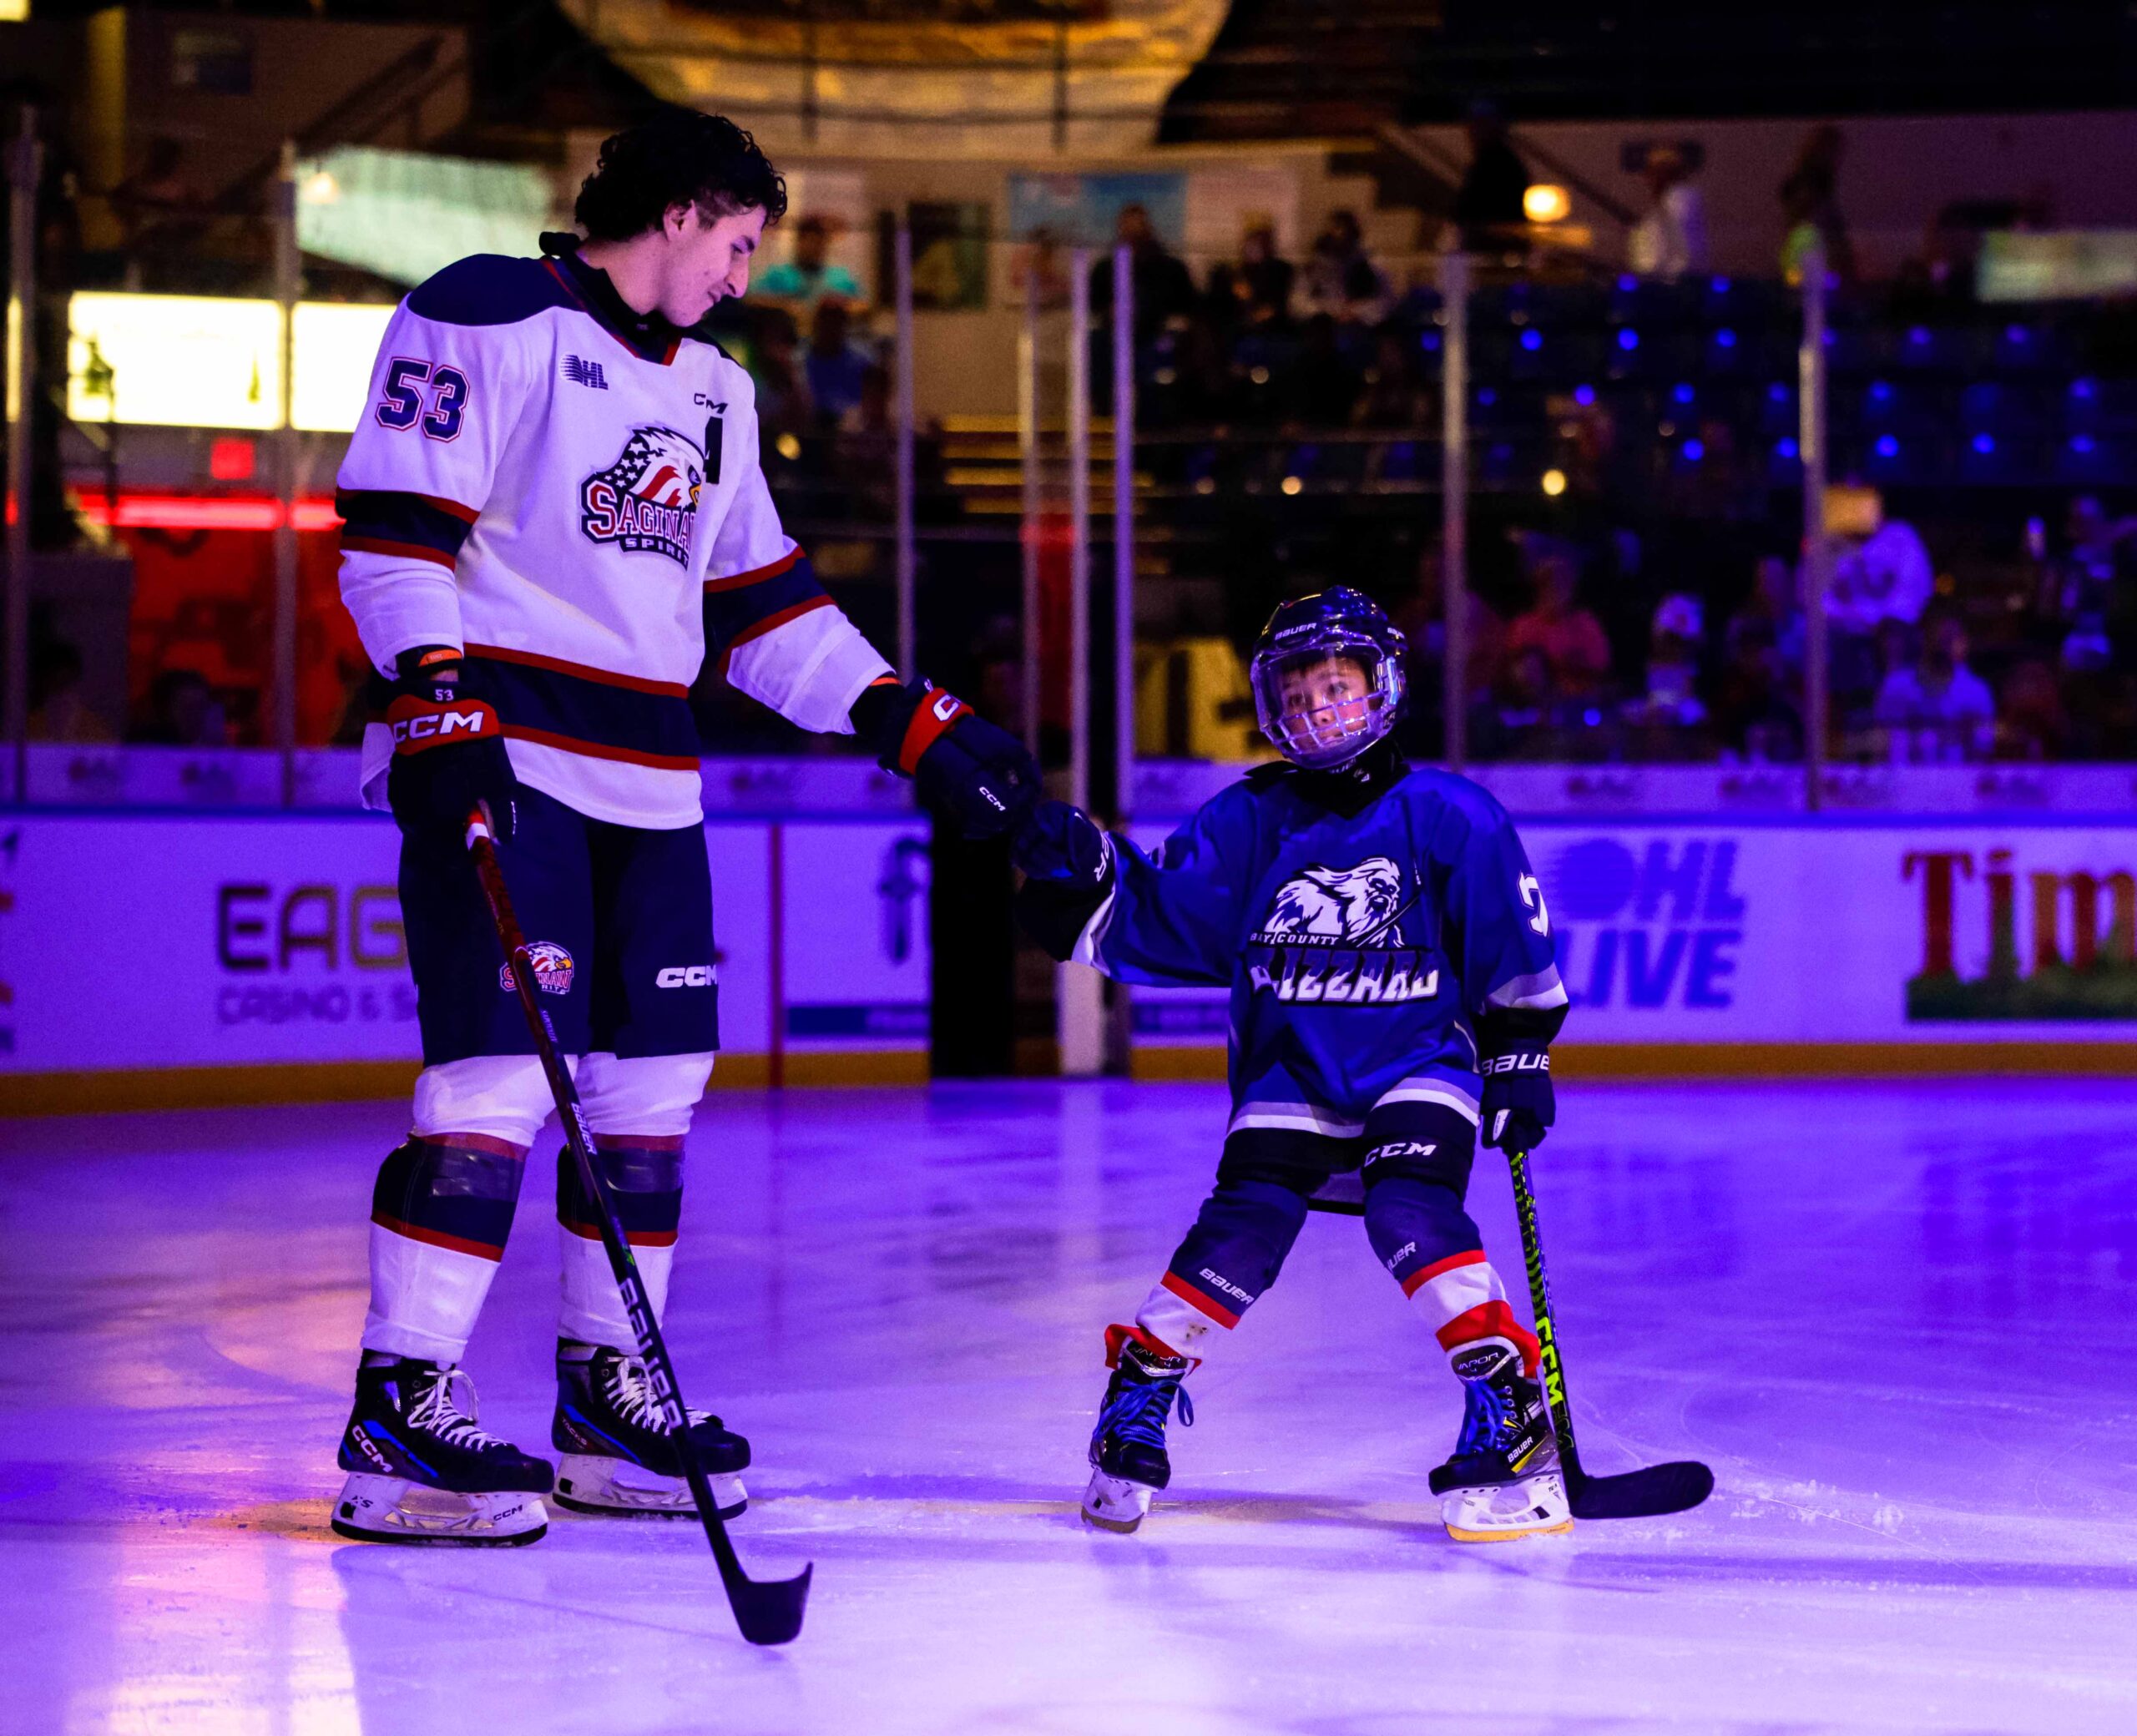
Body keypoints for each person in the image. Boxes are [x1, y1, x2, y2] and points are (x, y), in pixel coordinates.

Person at [329, 108, 1040, 1547]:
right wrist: (436, 696)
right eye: (739, 241)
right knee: (493, 1082)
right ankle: (400, 1407)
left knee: (652, 1092)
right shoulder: (488, 312)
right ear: (679, 211)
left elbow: (759, 611)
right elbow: (395, 532)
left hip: (654, 787)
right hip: (508, 759)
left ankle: (607, 1399)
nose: (744, 273)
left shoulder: (718, 389)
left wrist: (907, 719)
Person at [1012, 588, 1572, 1543]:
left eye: (1337, 688)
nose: (1319, 711)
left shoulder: (1450, 815)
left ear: (1382, 687)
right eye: (1299, 694)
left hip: (1416, 1060)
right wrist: (1086, 886)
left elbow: (1507, 940)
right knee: (1243, 1232)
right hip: (1291, 1071)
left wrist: (1518, 1051)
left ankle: (1506, 1402)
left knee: (1410, 1211)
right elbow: (1167, 913)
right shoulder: (1249, 819)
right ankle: (1137, 1391)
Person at [1873, 609, 1994, 762]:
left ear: (1965, 642)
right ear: (1923, 637)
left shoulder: (1977, 692)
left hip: (1959, 774)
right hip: (1904, 774)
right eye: (1938, 634)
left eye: (1952, 636)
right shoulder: (1896, 685)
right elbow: (1880, 744)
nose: (1944, 643)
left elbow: (1982, 751)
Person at [1452, 105, 1530, 249]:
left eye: (1476, 127)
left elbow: (1476, 206)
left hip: (1492, 244)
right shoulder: (1503, 161)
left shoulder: (1494, 164)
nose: (1470, 133)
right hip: (1498, 241)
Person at [1626, 144, 1707, 280]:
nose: (1646, 179)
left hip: (1673, 285)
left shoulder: (1679, 202)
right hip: (1667, 282)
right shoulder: (1670, 202)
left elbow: (1681, 251)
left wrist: (1656, 277)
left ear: (1665, 174)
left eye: (1651, 172)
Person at [753, 213, 861, 313]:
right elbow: (753, 299)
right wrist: (785, 307)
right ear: (799, 243)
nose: (812, 248)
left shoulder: (839, 278)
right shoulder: (779, 275)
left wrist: (840, 307)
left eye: (818, 243)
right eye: (809, 242)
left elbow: (863, 305)